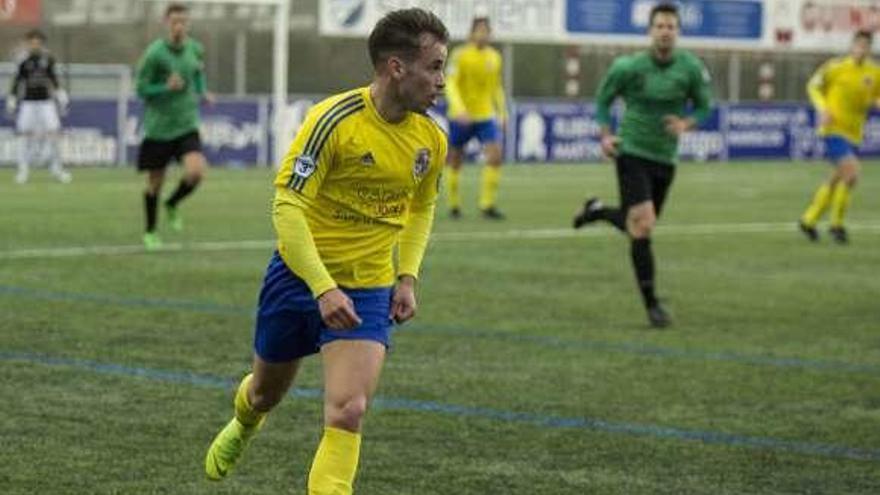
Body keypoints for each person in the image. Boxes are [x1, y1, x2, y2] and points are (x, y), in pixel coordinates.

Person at [203, 8, 448, 494]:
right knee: (265, 392)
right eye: (435, 66)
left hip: (370, 289)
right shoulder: (333, 120)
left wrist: (407, 276)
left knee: (348, 409)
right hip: (299, 280)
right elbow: (287, 206)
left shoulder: (432, 138)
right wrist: (322, 287)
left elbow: (421, 208)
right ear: (396, 67)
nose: (442, 81)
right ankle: (246, 422)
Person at [571, 3, 712, 328]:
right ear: (650, 31)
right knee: (644, 224)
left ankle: (597, 211)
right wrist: (606, 136)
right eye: (660, 26)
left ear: (678, 31)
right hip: (631, 150)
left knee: (637, 227)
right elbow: (604, 100)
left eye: (671, 26)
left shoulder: (690, 68)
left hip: (665, 158)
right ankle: (652, 306)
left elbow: (706, 106)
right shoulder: (628, 66)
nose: (665, 31)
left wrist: (685, 124)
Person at [135, 3, 213, 251]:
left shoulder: (195, 49)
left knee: (196, 172)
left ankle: (172, 203)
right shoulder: (154, 54)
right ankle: (150, 231)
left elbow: (198, 72)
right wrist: (164, 88)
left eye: (183, 21)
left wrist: (202, 92)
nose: (179, 25)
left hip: (186, 124)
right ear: (166, 23)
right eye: (174, 21)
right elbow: (141, 90)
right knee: (154, 183)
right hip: (158, 128)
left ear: (187, 23)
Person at [798, 30, 880, 244]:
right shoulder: (835, 67)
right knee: (852, 173)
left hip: (854, 134)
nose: (861, 49)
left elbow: (876, 97)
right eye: (858, 45)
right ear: (852, 46)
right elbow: (813, 86)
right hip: (832, 130)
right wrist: (822, 108)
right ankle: (837, 225)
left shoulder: (874, 72)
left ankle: (809, 220)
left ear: (870, 48)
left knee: (837, 178)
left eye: (865, 46)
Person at [444, 16, 507, 220]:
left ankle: (487, 205)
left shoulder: (495, 57)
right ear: (471, 33)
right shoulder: (459, 55)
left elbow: (496, 87)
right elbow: (451, 83)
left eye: (486, 31)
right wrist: (459, 108)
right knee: (455, 160)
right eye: (479, 30)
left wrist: (502, 112)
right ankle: (454, 205)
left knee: (496, 156)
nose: (483, 34)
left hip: (485, 115)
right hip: (460, 116)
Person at [6, 29, 71, 185]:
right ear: (28, 43)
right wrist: (13, 97)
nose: (35, 45)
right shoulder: (23, 60)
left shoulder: (48, 59)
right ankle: (23, 170)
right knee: (24, 135)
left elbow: (53, 78)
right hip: (28, 102)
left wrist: (60, 93)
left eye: (38, 42)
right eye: (32, 42)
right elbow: (18, 80)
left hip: (46, 102)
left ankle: (57, 169)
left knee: (54, 133)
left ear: (41, 43)